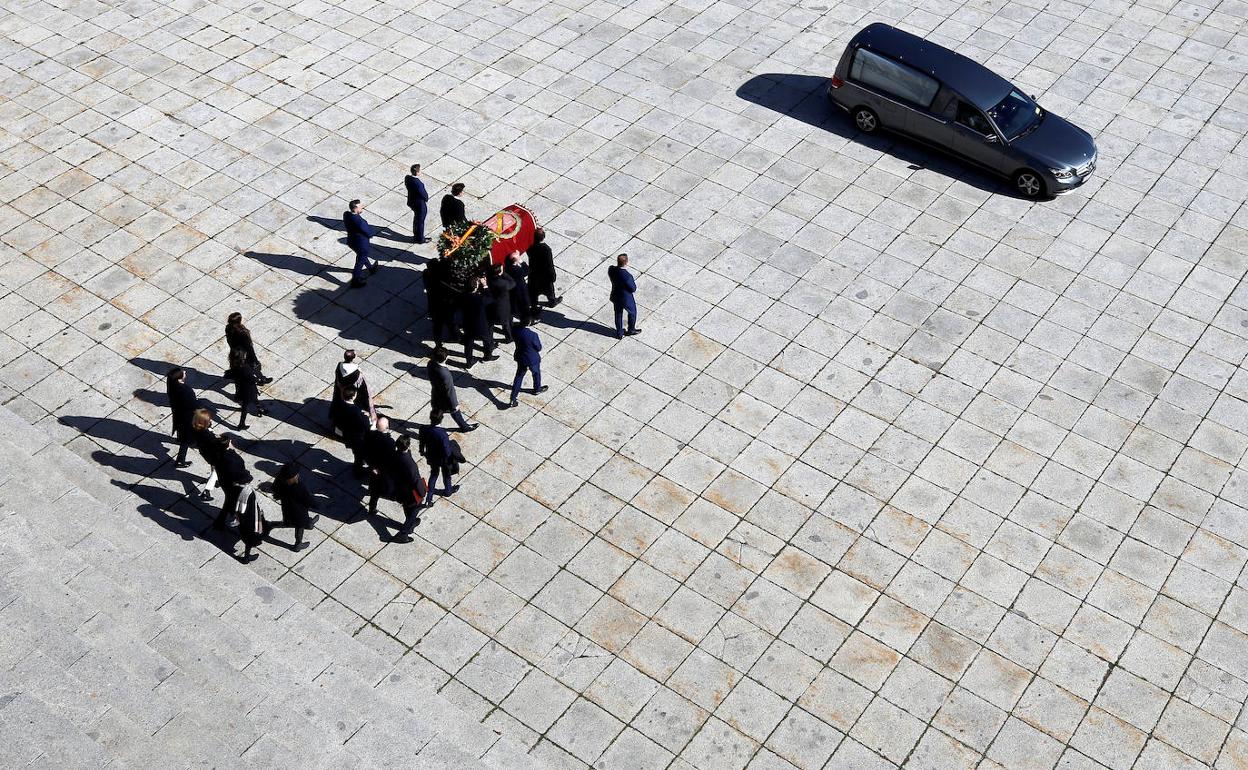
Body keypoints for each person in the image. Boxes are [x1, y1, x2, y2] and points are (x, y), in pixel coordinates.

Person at [427, 347, 478, 432]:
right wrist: (454, 404)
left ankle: (435, 426)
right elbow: (449, 391)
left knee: (437, 411)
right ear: (446, 358)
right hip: (445, 397)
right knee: (454, 411)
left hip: (436, 392)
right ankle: (464, 427)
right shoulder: (445, 374)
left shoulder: (430, 363)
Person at [270, 462, 317, 551]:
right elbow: (308, 499)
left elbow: (275, 490)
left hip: (287, 508)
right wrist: (316, 505)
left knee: (300, 521)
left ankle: (309, 524)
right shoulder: (299, 486)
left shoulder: (280, 481)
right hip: (298, 511)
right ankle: (298, 544)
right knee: (299, 526)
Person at [391, 435, 427, 543]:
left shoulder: (395, 455)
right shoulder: (410, 464)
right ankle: (403, 533)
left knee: (407, 507)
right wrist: (422, 492)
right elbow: (416, 480)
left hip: (400, 488)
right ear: (408, 445)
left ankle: (411, 523)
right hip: (410, 492)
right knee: (415, 510)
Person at [213, 434, 251, 531]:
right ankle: (224, 521)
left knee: (228, 501)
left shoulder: (217, 455)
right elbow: (240, 473)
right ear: (229, 443)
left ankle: (219, 523)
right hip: (233, 485)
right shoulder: (233, 459)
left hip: (224, 482)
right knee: (231, 502)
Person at [365, 416, 401, 516]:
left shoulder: (370, 435)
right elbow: (391, 460)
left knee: (374, 491)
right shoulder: (390, 443)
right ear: (387, 427)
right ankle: (392, 496)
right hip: (384, 470)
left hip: (374, 469)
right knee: (389, 486)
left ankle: (372, 509)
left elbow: (366, 452)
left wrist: (372, 466)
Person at [419, 423, 463, 504]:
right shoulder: (443, 434)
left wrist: (422, 451)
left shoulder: (423, 429)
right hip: (444, 459)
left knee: (434, 475)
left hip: (432, 457)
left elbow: (421, 442)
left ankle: (429, 499)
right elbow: (446, 450)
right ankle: (448, 491)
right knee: (446, 475)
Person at [332, 386, 371, 476]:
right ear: (353, 396)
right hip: (357, 438)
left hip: (347, 434)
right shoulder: (356, 411)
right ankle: (358, 472)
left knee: (357, 453)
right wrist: (366, 417)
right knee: (359, 456)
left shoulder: (339, 406)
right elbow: (365, 426)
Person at [508, 318, 548, 408]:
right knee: (536, 373)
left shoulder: (514, 330)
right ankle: (537, 389)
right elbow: (538, 348)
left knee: (518, 377)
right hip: (532, 359)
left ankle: (512, 399)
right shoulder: (533, 335)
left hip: (521, 357)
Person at [330, 349, 375, 424]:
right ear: (353, 358)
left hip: (342, 391)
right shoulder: (356, 372)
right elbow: (362, 385)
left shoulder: (339, 366)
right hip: (352, 392)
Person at [225, 313, 271, 384]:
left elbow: (229, 341)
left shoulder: (228, 328)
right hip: (244, 353)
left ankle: (236, 376)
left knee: (237, 366)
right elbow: (249, 348)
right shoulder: (242, 332)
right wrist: (255, 359)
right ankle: (262, 379)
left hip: (235, 352)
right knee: (254, 367)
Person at [460, 279, 498, 367]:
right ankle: (487, 357)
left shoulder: (462, 296)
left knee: (468, 344)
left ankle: (468, 363)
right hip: (480, 325)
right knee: (488, 341)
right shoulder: (479, 298)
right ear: (476, 287)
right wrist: (485, 286)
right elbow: (491, 299)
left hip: (468, 324)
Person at [423, 257, 461, 346]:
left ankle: (438, 343)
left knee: (437, 326)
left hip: (435, 306)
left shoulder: (427, 275)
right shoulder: (445, 278)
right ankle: (456, 337)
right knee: (451, 323)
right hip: (446, 305)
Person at [166, 367, 198, 468]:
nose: (184, 372)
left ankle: (180, 438)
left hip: (179, 415)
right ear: (179, 378)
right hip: (187, 418)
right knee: (186, 440)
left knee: (182, 433)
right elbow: (193, 405)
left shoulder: (172, 387)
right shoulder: (185, 390)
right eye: (182, 372)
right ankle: (180, 460)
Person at [226, 348, 265, 430]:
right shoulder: (245, 368)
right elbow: (251, 378)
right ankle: (241, 424)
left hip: (242, 388)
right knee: (247, 405)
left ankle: (260, 409)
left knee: (252, 401)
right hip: (249, 389)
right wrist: (258, 380)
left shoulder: (234, 366)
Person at [344, 199, 377, 288]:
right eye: (360, 206)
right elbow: (367, 231)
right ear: (355, 208)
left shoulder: (346, 215)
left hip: (351, 241)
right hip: (360, 243)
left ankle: (371, 268)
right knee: (360, 261)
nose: (362, 207)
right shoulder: (358, 221)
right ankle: (355, 280)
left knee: (362, 256)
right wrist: (370, 234)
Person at [191, 408, 222, 501]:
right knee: (216, 471)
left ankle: (215, 481)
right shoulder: (208, 434)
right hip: (212, 453)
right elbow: (214, 443)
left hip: (205, 452)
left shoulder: (196, 428)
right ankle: (206, 491)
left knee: (214, 467)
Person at [607, 253, 640, 338]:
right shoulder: (627, 276)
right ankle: (631, 329)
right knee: (632, 312)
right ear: (626, 262)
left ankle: (619, 333)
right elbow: (633, 289)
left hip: (615, 296)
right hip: (626, 299)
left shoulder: (611, 269)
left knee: (618, 314)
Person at [527, 227, 561, 307]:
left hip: (534, 273)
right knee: (549, 290)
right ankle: (552, 301)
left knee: (533, 291)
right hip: (544, 275)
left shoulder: (530, 247)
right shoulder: (546, 249)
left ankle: (534, 305)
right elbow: (549, 264)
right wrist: (553, 275)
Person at [234, 479, 266, 563]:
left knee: (246, 537)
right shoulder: (249, 492)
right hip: (250, 520)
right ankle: (246, 558)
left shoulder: (236, 489)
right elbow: (252, 510)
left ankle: (246, 557)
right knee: (250, 539)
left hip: (242, 519)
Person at [486, 263, 515, 343]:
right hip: (502, 306)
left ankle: (491, 339)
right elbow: (512, 283)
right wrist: (504, 274)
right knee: (506, 323)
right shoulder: (502, 284)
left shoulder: (489, 278)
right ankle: (509, 337)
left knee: (491, 324)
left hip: (492, 305)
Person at [505, 251, 533, 325]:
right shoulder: (517, 270)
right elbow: (527, 270)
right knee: (525, 306)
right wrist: (522, 262)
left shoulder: (507, 267)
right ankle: (526, 320)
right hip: (520, 290)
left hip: (513, 290)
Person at [404, 164, 430, 243]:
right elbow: (424, 195)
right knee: (420, 221)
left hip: (412, 201)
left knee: (416, 219)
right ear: (418, 172)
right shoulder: (418, 183)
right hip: (419, 204)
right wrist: (426, 198)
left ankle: (416, 235)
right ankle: (420, 238)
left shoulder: (408, 178)